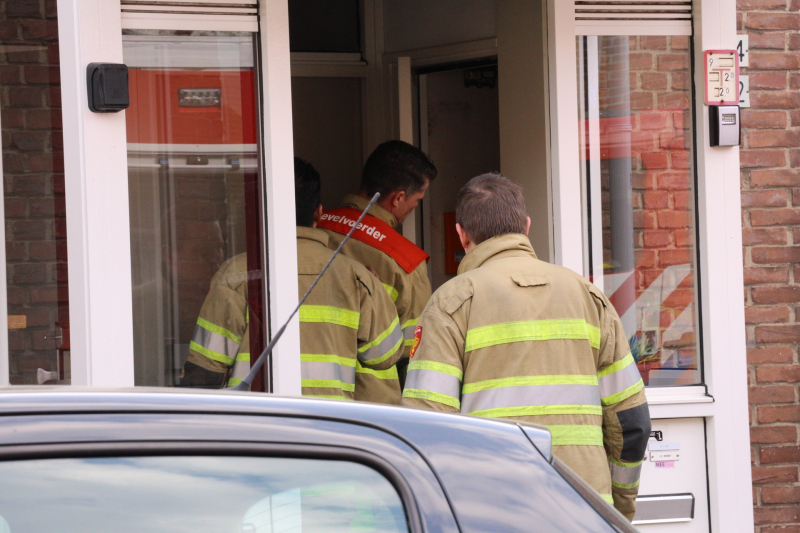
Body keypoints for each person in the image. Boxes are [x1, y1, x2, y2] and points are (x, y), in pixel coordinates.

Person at [400, 173, 650, 520]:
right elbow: (631, 421)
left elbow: (428, 428)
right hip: (584, 509)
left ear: (462, 233)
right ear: (526, 226)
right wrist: (617, 508)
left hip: (491, 515)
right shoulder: (589, 298)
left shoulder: (451, 303)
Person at [180, 158, 405, 400]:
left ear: (260, 210)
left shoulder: (235, 275)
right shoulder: (357, 277)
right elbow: (385, 355)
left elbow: (205, 372)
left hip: (257, 426)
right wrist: (377, 292)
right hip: (330, 427)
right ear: (319, 212)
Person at [318, 140, 437, 404]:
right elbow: (413, 355)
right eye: (417, 201)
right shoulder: (406, 262)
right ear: (397, 198)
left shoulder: (313, 228)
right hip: (370, 405)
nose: (414, 208)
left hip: (300, 395)